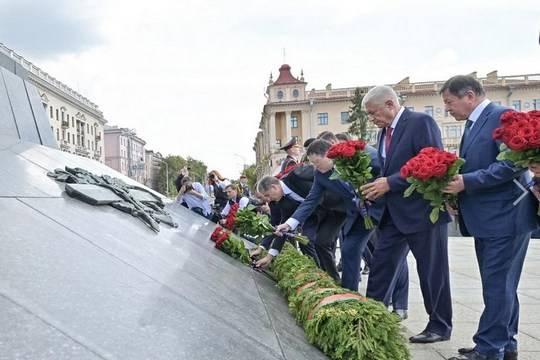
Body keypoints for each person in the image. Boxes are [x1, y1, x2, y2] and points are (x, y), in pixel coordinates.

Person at [441, 76, 537, 360]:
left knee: (497, 285)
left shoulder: (502, 117)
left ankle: (488, 349)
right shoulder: (474, 123)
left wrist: (466, 183)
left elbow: (511, 165)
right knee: (501, 285)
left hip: (506, 216)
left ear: (469, 95)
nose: (447, 109)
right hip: (489, 217)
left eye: (449, 102)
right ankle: (505, 343)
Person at [360, 85, 452, 344]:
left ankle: (439, 326)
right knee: (381, 266)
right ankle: (370, 318)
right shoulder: (383, 133)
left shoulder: (420, 123)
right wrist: (374, 185)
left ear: (390, 104)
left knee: (432, 272)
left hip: (423, 213)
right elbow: (390, 167)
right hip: (393, 214)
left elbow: (432, 162)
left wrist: (391, 182)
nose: (371, 118)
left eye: (373, 113)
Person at [276, 139, 383, 292]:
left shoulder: (358, 155)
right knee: (348, 250)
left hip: (383, 209)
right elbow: (311, 200)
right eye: (312, 163)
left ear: (328, 155)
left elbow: (385, 170)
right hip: (358, 215)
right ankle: (349, 293)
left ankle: (396, 300)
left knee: (385, 253)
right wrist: (289, 224)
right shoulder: (320, 175)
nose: (315, 167)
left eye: (317, 162)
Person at [252, 175, 319, 268]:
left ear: (273, 187)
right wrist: (268, 254)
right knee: (307, 242)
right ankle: (320, 273)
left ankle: (327, 275)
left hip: (331, 207)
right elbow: (278, 225)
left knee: (322, 244)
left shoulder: (296, 176)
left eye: (265, 195)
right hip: (311, 218)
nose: (266, 199)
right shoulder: (280, 201)